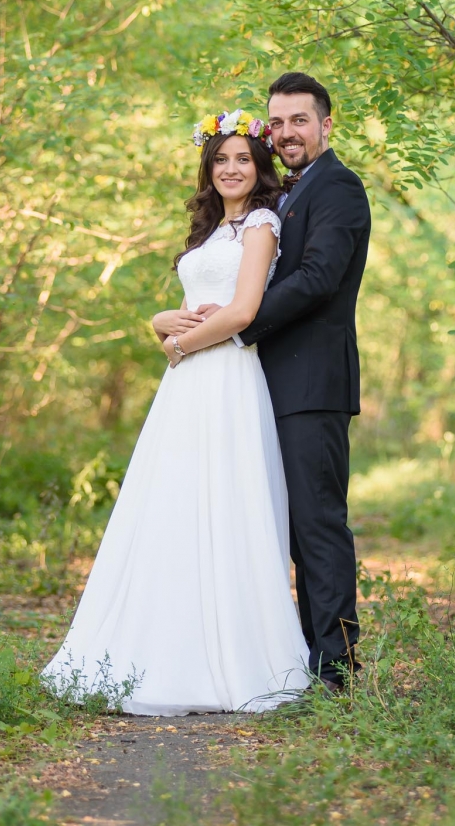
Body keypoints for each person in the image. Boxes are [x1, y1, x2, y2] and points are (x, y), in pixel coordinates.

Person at [42, 109, 310, 714]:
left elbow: (242, 311)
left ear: (260, 164)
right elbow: (191, 303)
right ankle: (159, 643)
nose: (232, 169)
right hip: (186, 385)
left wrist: (177, 343)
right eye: (221, 159)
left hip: (224, 378)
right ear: (207, 168)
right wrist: (161, 321)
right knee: (173, 503)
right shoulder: (211, 231)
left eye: (243, 158)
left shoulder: (262, 225)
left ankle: (230, 655)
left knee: (223, 503)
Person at [185, 73, 371, 691]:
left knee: (317, 523)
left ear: (325, 124)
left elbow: (318, 278)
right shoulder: (289, 195)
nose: (287, 132)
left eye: (299, 120)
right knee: (286, 526)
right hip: (269, 385)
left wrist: (238, 324)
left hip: (313, 383)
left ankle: (336, 670)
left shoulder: (338, 186)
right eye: (279, 122)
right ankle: (301, 657)